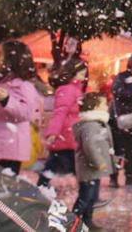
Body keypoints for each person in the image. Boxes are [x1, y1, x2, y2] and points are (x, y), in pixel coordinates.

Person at [0, 40, 43, 174]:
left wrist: (7, 101)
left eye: (1, 55)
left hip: (8, 149)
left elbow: (26, 113)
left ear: (12, 60)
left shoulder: (23, 86)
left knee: (2, 188)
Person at [39, 59, 89, 188]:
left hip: (70, 137)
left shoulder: (75, 90)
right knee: (60, 167)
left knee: (59, 168)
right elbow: (60, 112)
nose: (83, 78)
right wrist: (53, 132)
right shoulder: (68, 90)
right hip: (65, 137)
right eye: (81, 74)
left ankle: (45, 189)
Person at [72, 92, 114, 232]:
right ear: (95, 107)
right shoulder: (90, 125)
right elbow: (89, 146)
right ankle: (73, 220)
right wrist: (98, 161)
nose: (106, 106)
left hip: (93, 170)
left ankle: (87, 220)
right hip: (88, 168)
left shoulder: (97, 123)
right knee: (85, 196)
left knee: (91, 197)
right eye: (103, 104)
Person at [109, 53, 132, 188]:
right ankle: (113, 176)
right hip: (119, 119)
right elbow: (116, 91)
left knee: (131, 150)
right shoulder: (121, 77)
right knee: (118, 149)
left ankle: (129, 175)